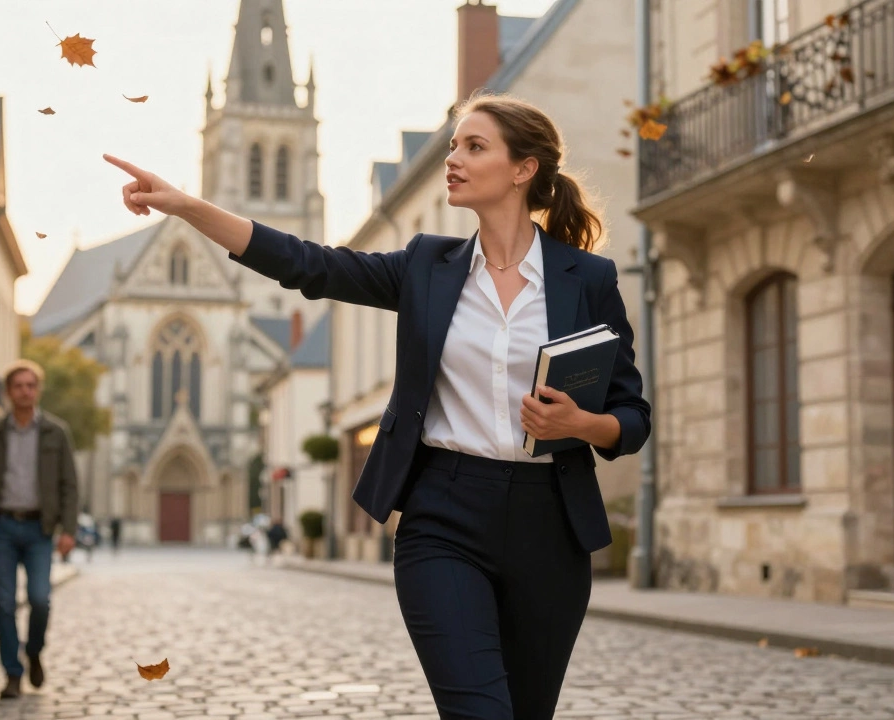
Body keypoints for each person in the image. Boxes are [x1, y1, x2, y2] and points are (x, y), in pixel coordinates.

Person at [104, 90, 650, 720]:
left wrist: (582, 424)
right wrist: (187, 207)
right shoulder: (426, 268)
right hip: (443, 518)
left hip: (550, 529)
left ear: (524, 169)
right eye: (453, 147)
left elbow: (632, 416)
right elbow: (309, 264)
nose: (454, 159)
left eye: (474, 147)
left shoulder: (589, 279)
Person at [0, 359, 79, 700]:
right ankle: (12, 674)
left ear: (38, 390)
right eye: (19, 385)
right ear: (8, 392)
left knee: (40, 599)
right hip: (0, 528)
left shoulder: (56, 433)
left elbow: (69, 485)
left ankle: (33, 651)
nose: (25, 391)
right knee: (4, 603)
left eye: (31, 385)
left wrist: (68, 529)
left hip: (39, 529)